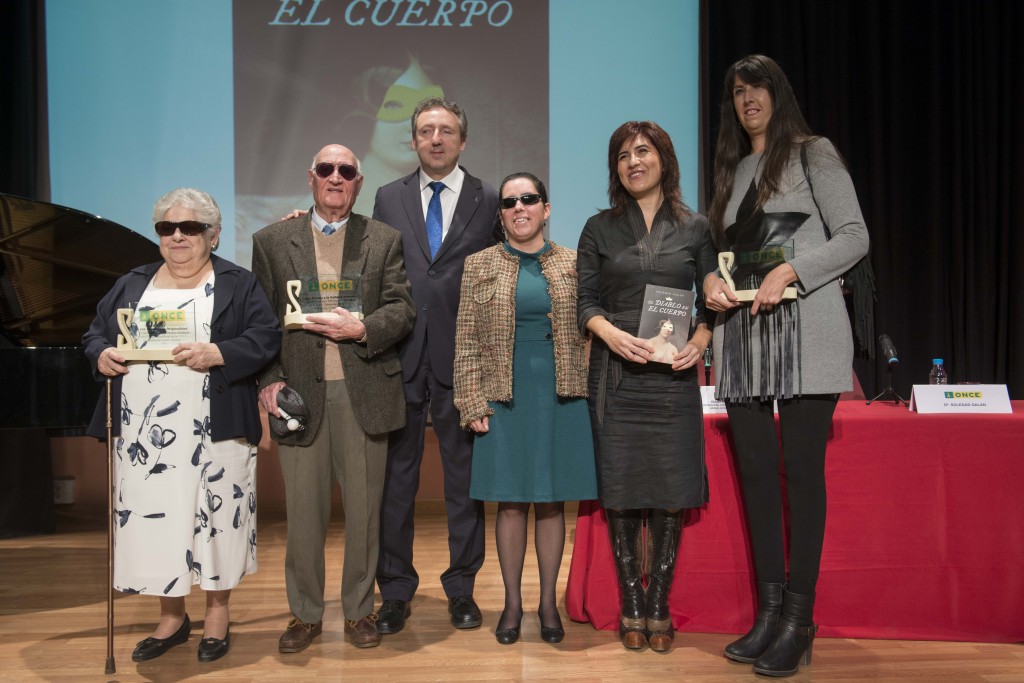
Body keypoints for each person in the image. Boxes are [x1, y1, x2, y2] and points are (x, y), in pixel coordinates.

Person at [704, 55, 870, 677]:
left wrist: (794, 269)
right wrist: (710, 285)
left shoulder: (812, 152)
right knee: (754, 475)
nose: (749, 99)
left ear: (779, 94)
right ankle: (770, 613)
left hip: (806, 332)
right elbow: (721, 253)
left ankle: (800, 621)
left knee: (800, 474)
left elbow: (854, 237)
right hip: (743, 340)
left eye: (759, 89)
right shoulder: (731, 167)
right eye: (739, 91)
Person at [83, 188, 280, 663]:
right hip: (145, 436)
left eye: (189, 227)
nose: (177, 236)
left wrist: (221, 352)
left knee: (217, 523)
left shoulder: (238, 283)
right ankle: (171, 617)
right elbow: (95, 332)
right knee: (157, 524)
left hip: (218, 423)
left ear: (212, 234)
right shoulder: (133, 283)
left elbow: (266, 336)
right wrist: (101, 353)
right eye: (166, 228)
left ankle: (217, 616)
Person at [251, 144, 415, 653]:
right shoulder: (273, 240)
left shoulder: (383, 239)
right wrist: (270, 380)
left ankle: (360, 611)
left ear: (359, 183)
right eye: (327, 169)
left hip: (364, 390)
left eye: (347, 171)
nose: (336, 177)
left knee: (366, 514)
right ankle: (304, 615)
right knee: (302, 515)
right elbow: (259, 321)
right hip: (299, 394)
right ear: (312, 177)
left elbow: (401, 308)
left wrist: (363, 327)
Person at [576, 121, 715, 653]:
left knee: (670, 493)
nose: (634, 161)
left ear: (664, 159)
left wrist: (701, 341)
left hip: (673, 380)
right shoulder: (599, 228)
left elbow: (711, 305)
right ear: (615, 168)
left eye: (644, 151)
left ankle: (658, 601)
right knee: (622, 492)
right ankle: (631, 604)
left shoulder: (696, 227)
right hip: (615, 378)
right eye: (623, 155)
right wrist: (611, 336)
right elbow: (584, 302)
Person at [371, 96, 501, 634]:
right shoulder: (387, 196)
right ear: (415, 139)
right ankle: (395, 591)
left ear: (462, 140)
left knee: (463, 484)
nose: (436, 139)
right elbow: (373, 270)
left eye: (446, 130)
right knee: (394, 484)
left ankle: (462, 589)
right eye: (426, 130)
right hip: (397, 358)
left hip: (463, 361)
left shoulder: (489, 198)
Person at [453, 172, 597, 645]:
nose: (520, 208)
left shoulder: (576, 264)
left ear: (546, 208)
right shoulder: (479, 264)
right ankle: (513, 604)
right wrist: (471, 398)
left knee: (552, 501)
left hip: (561, 391)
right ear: (501, 214)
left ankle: (547, 603)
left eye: (529, 199)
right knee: (511, 503)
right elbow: (466, 339)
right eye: (510, 202)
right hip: (502, 391)